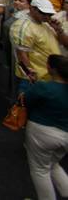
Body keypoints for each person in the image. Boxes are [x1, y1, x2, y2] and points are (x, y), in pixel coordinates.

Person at [23, 53, 68, 200]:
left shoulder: (44, 87)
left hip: (41, 133)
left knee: (40, 170)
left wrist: (28, 83)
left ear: (51, 69)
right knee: (53, 164)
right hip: (65, 136)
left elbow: (26, 100)